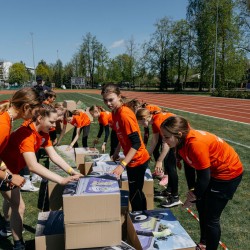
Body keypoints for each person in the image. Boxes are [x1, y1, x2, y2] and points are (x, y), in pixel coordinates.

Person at [0, 104, 81, 250]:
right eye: (51, 122)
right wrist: (61, 180)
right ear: (39, 118)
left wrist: (71, 171)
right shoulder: (26, 134)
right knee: (19, 207)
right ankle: (18, 245)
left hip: (12, 171)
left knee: (12, 200)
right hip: (4, 171)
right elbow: (33, 166)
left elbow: (53, 155)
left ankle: (6, 226)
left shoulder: (43, 132)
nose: (53, 126)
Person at [160, 116, 243, 250]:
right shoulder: (181, 142)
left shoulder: (195, 144)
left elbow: (204, 177)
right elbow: (189, 166)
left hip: (228, 173)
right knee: (201, 206)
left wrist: (192, 197)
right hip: (212, 172)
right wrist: (193, 191)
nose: (163, 140)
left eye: (166, 137)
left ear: (179, 134)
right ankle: (204, 243)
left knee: (211, 217)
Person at [0, 87, 43, 239]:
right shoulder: (3, 125)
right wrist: (10, 177)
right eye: (35, 111)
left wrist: (5, 169)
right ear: (26, 107)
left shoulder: (7, 118)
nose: (36, 115)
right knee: (18, 205)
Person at [101, 83, 150, 211]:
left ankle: (140, 219)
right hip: (132, 159)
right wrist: (117, 151)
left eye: (111, 99)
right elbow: (121, 135)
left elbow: (136, 143)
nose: (108, 103)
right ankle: (140, 216)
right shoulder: (115, 113)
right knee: (135, 192)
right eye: (105, 100)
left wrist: (122, 164)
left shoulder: (124, 115)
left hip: (138, 160)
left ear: (119, 96)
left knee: (135, 194)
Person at [136, 108, 181, 208]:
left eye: (140, 123)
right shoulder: (154, 121)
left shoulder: (157, 121)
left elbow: (166, 143)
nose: (141, 125)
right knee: (168, 164)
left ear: (145, 118)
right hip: (173, 140)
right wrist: (146, 156)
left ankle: (175, 197)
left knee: (170, 167)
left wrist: (159, 161)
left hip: (178, 140)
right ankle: (169, 191)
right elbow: (154, 141)